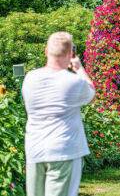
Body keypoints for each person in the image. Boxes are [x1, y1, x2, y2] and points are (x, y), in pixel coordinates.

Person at [22, 32, 95, 196]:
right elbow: (91, 94)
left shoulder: (30, 78)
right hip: (64, 150)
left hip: (35, 149)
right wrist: (79, 68)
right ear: (70, 54)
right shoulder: (73, 81)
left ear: (46, 51)